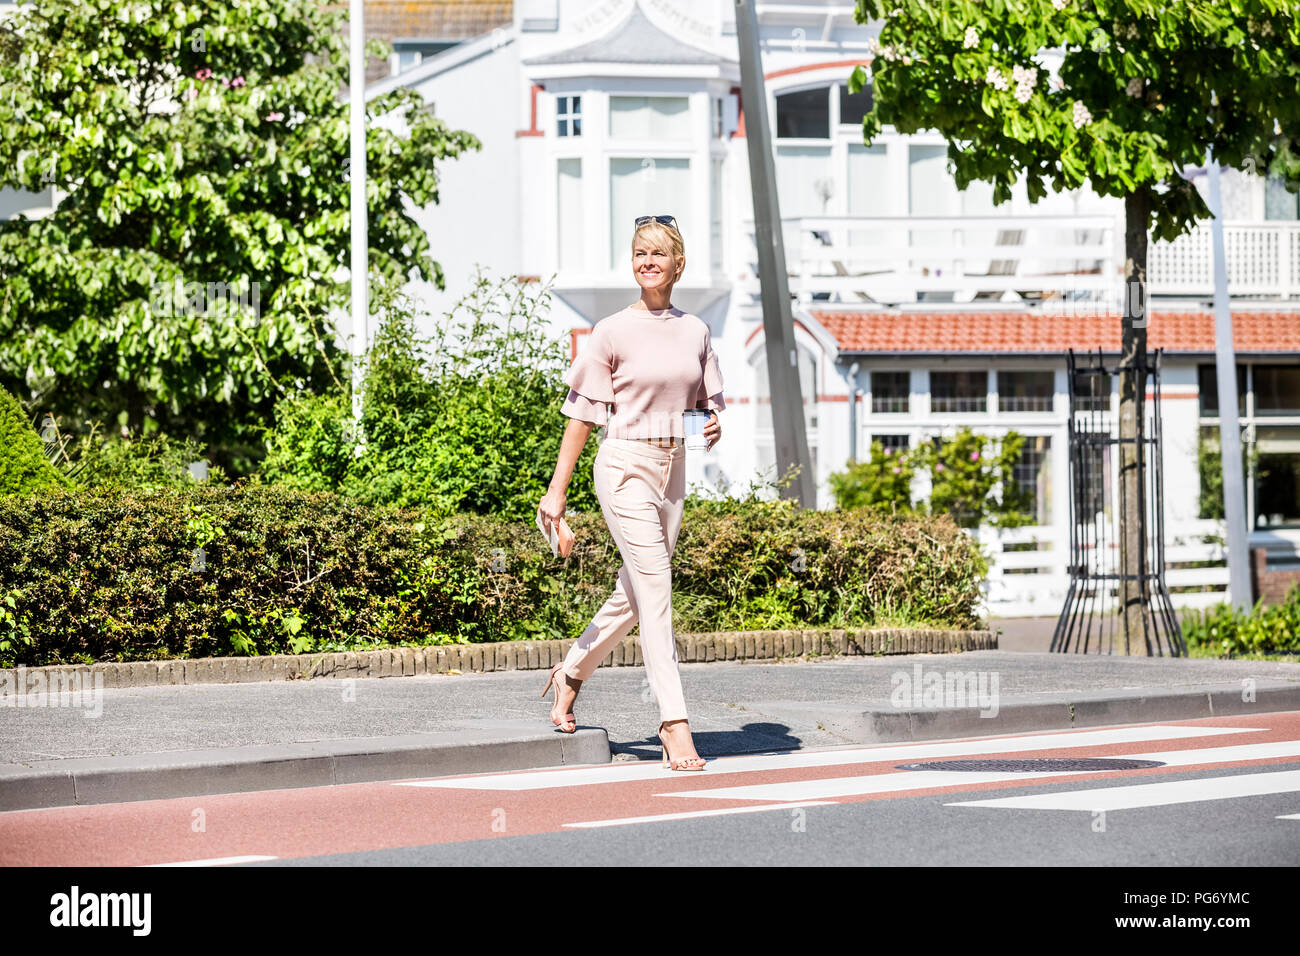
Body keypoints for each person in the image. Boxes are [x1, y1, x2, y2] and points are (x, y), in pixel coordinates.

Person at [536, 215, 723, 772]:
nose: (647, 261)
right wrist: (556, 493)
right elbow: (581, 416)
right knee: (658, 588)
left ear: (678, 263)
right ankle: (674, 723)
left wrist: (711, 425)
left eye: (658, 254)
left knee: (638, 592)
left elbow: (705, 404)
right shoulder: (611, 331)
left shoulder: (696, 330)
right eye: (640, 253)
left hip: (675, 468)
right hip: (623, 467)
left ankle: (570, 671)